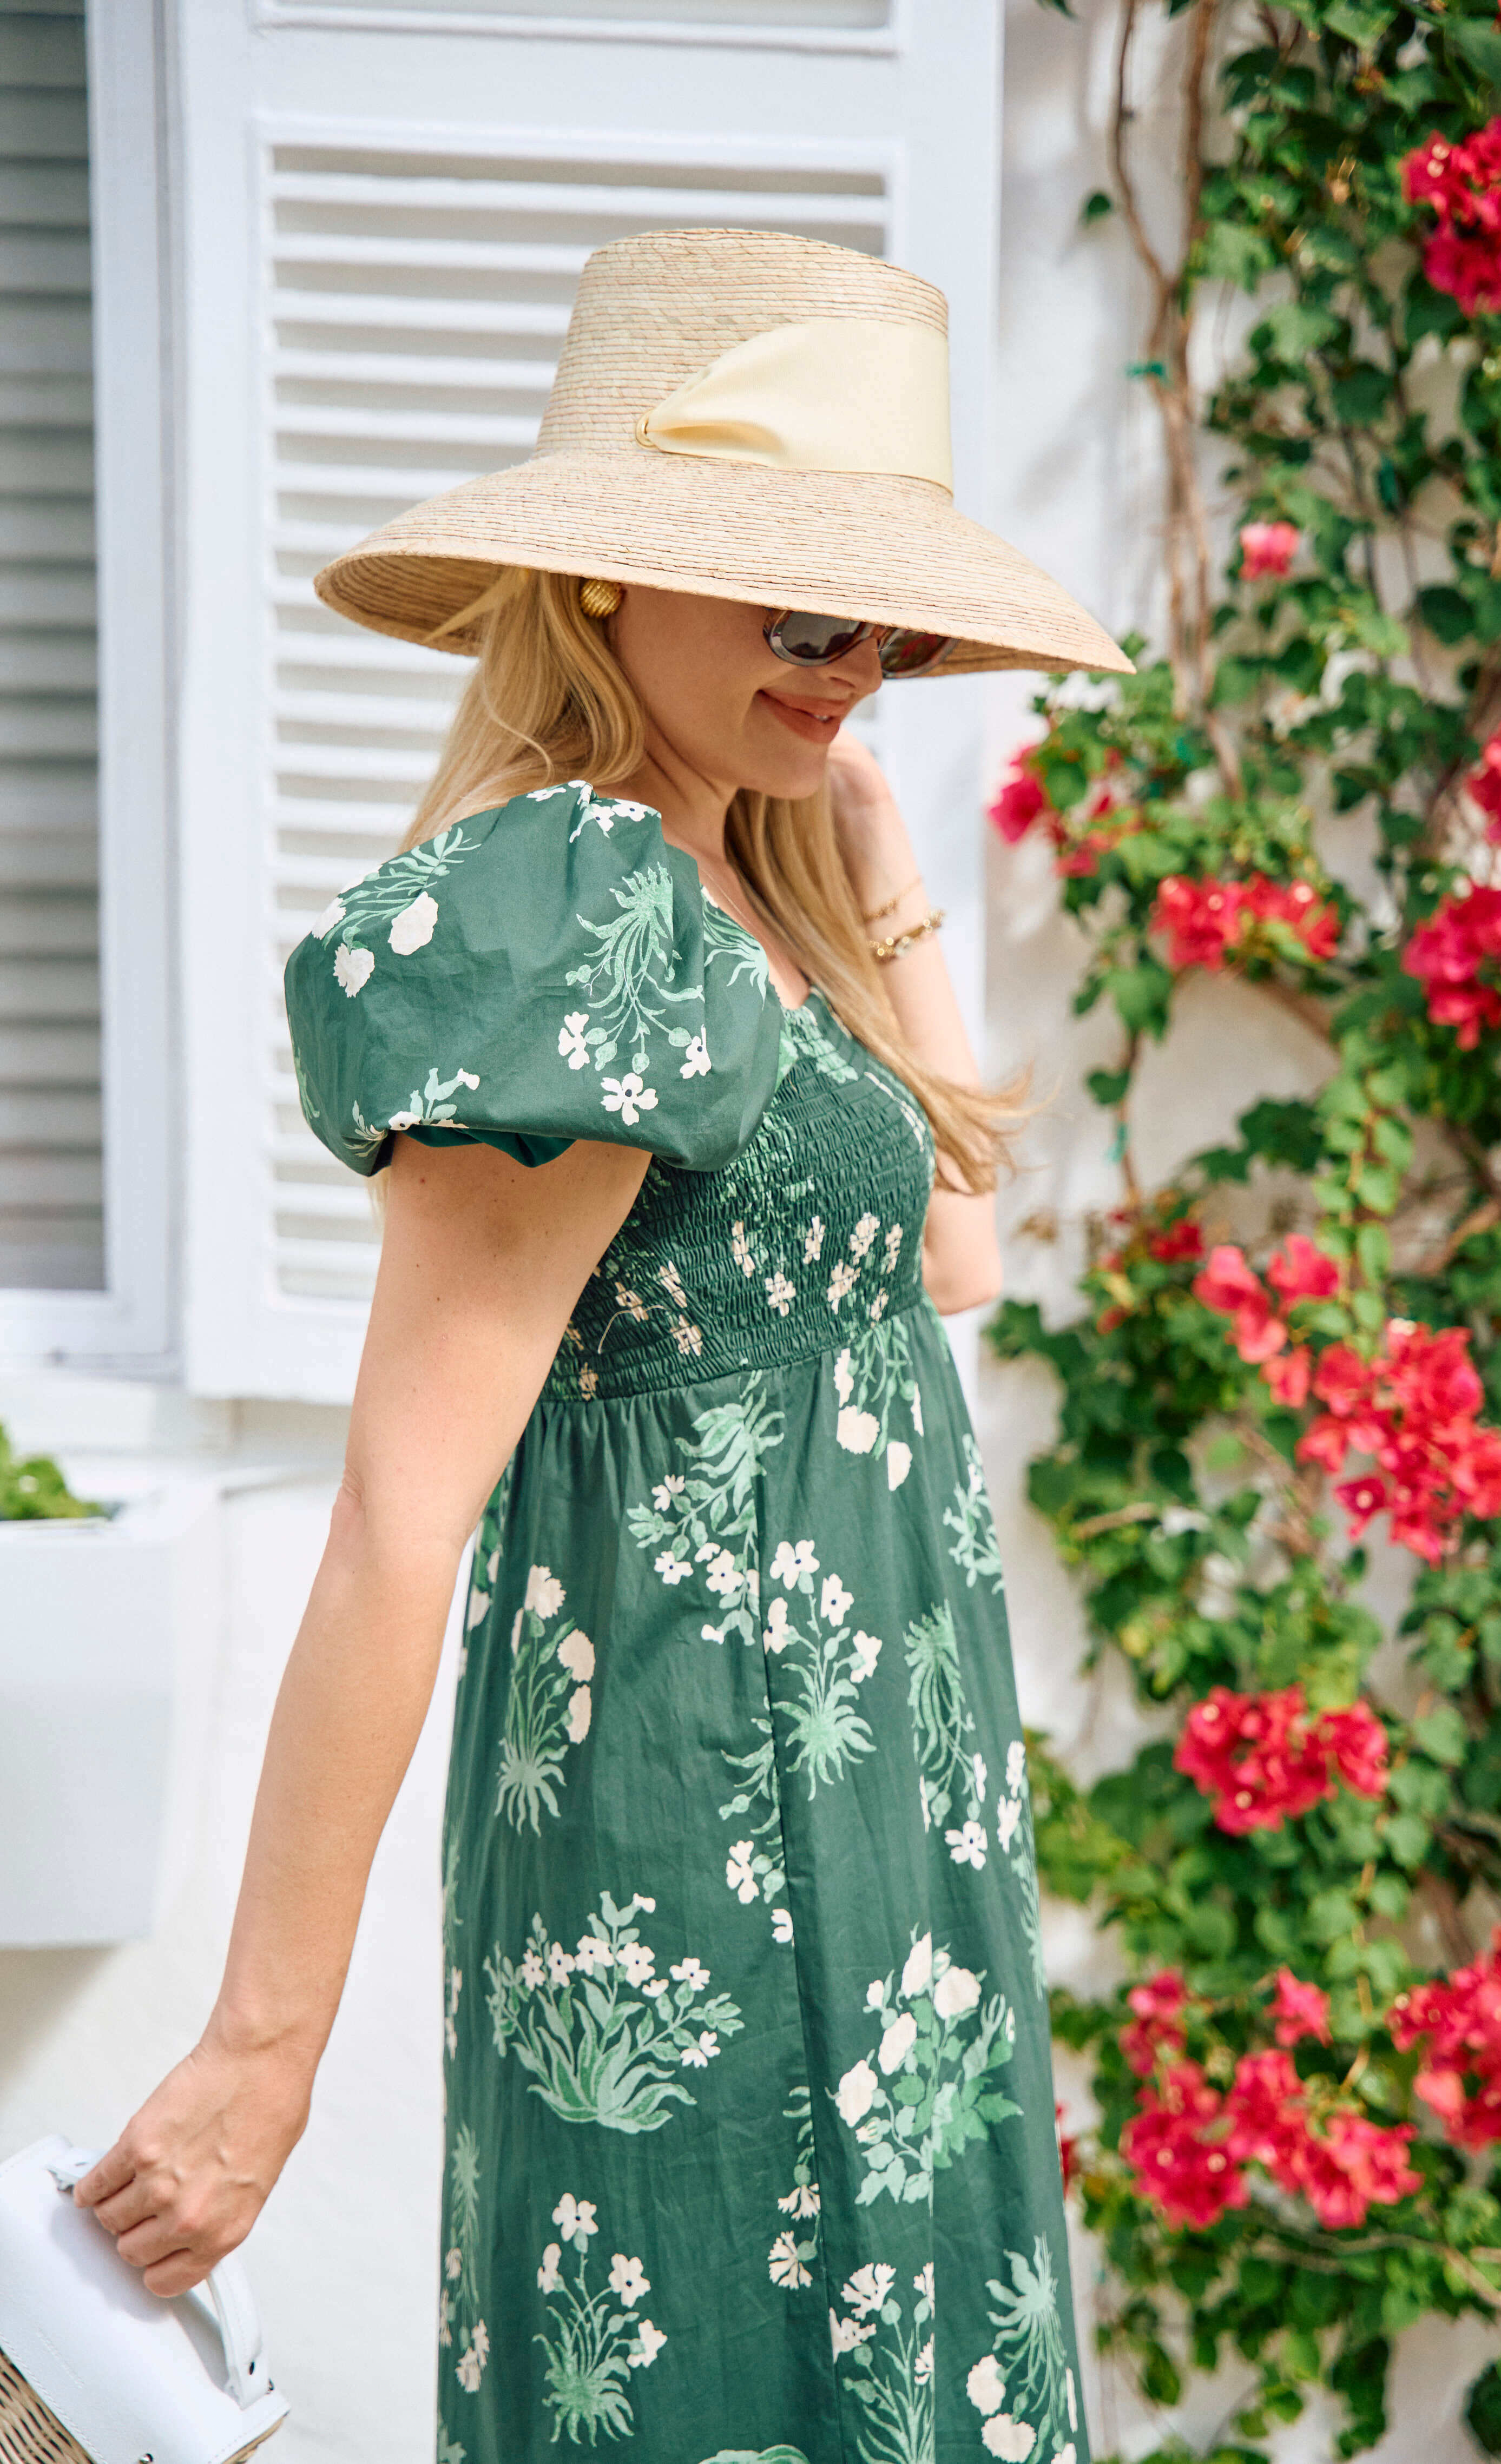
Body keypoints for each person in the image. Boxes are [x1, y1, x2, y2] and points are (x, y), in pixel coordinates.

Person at [73, 228, 1127, 2463]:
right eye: (803, 611)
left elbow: (941, 1257)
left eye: (885, 625)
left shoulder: (741, 869)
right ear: (600, 585)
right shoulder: (576, 909)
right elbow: (396, 1508)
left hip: (881, 1795)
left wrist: (868, 842)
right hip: (698, 1806)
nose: (853, 669)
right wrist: (263, 2045)